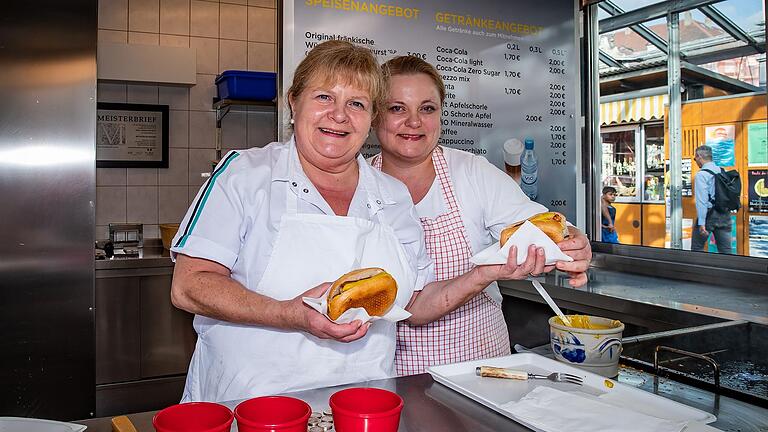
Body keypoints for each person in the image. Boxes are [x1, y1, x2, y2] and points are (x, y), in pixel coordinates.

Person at [169, 41, 546, 403]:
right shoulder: (244, 174)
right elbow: (189, 286)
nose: (339, 114)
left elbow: (415, 302)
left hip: (361, 403)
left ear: (370, 119)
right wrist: (289, 314)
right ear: (293, 103)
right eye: (324, 97)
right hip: (251, 401)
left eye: (356, 103)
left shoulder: (392, 196)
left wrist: (482, 273)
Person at [371, 56, 592, 376]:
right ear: (375, 115)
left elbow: (534, 224)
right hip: (397, 372)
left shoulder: (471, 172)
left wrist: (573, 240)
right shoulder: (360, 185)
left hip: (483, 366)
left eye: (427, 108)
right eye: (397, 108)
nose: (414, 121)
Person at [692, 145, 732, 254]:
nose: (696, 161)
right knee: (726, 250)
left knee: (697, 248)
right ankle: (728, 270)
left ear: (699, 157)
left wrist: (701, 223)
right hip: (724, 213)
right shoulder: (722, 171)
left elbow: (702, 201)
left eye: (695, 159)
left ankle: (699, 271)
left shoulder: (702, 175)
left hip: (709, 215)